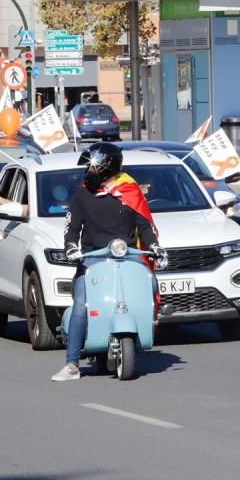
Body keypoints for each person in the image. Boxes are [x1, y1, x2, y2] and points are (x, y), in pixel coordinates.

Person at [53, 142, 167, 382]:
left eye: (92, 169)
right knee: (82, 303)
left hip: (128, 258)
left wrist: (154, 245)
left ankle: (149, 321)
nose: (88, 174)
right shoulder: (82, 195)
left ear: (107, 168)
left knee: (152, 285)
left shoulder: (129, 191)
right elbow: (71, 228)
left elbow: (144, 226)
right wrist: (71, 247)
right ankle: (72, 363)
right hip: (92, 260)